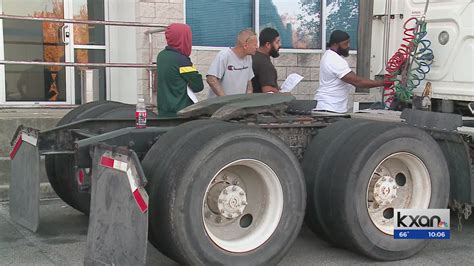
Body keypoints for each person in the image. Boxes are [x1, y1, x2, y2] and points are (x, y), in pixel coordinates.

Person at [314, 30, 384, 113]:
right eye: (345, 44)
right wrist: (383, 83)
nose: (348, 46)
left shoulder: (329, 56)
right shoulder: (334, 59)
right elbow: (357, 82)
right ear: (335, 44)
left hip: (329, 106)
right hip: (330, 107)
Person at [156, 23, 204, 117]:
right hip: (181, 113)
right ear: (184, 38)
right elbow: (198, 86)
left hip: (163, 111)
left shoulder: (161, 56)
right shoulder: (181, 60)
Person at [206, 29, 257, 98]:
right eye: (255, 44)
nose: (257, 47)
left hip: (237, 106)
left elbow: (249, 82)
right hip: (220, 107)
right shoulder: (224, 55)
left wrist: (247, 100)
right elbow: (211, 79)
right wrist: (225, 99)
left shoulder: (248, 58)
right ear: (245, 45)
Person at [252, 27, 281, 93]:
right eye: (277, 42)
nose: (280, 45)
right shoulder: (265, 64)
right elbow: (268, 91)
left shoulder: (254, 56)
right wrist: (282, 93)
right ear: (268, 44)